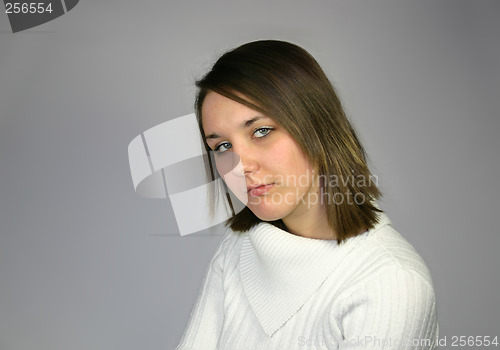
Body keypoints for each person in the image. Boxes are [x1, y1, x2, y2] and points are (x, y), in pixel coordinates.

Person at [176, 40, 438, 349]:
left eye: (261, 131)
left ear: (316, 124)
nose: (239, 166)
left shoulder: (391, 283)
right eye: (222, 146)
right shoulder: (239, 249)